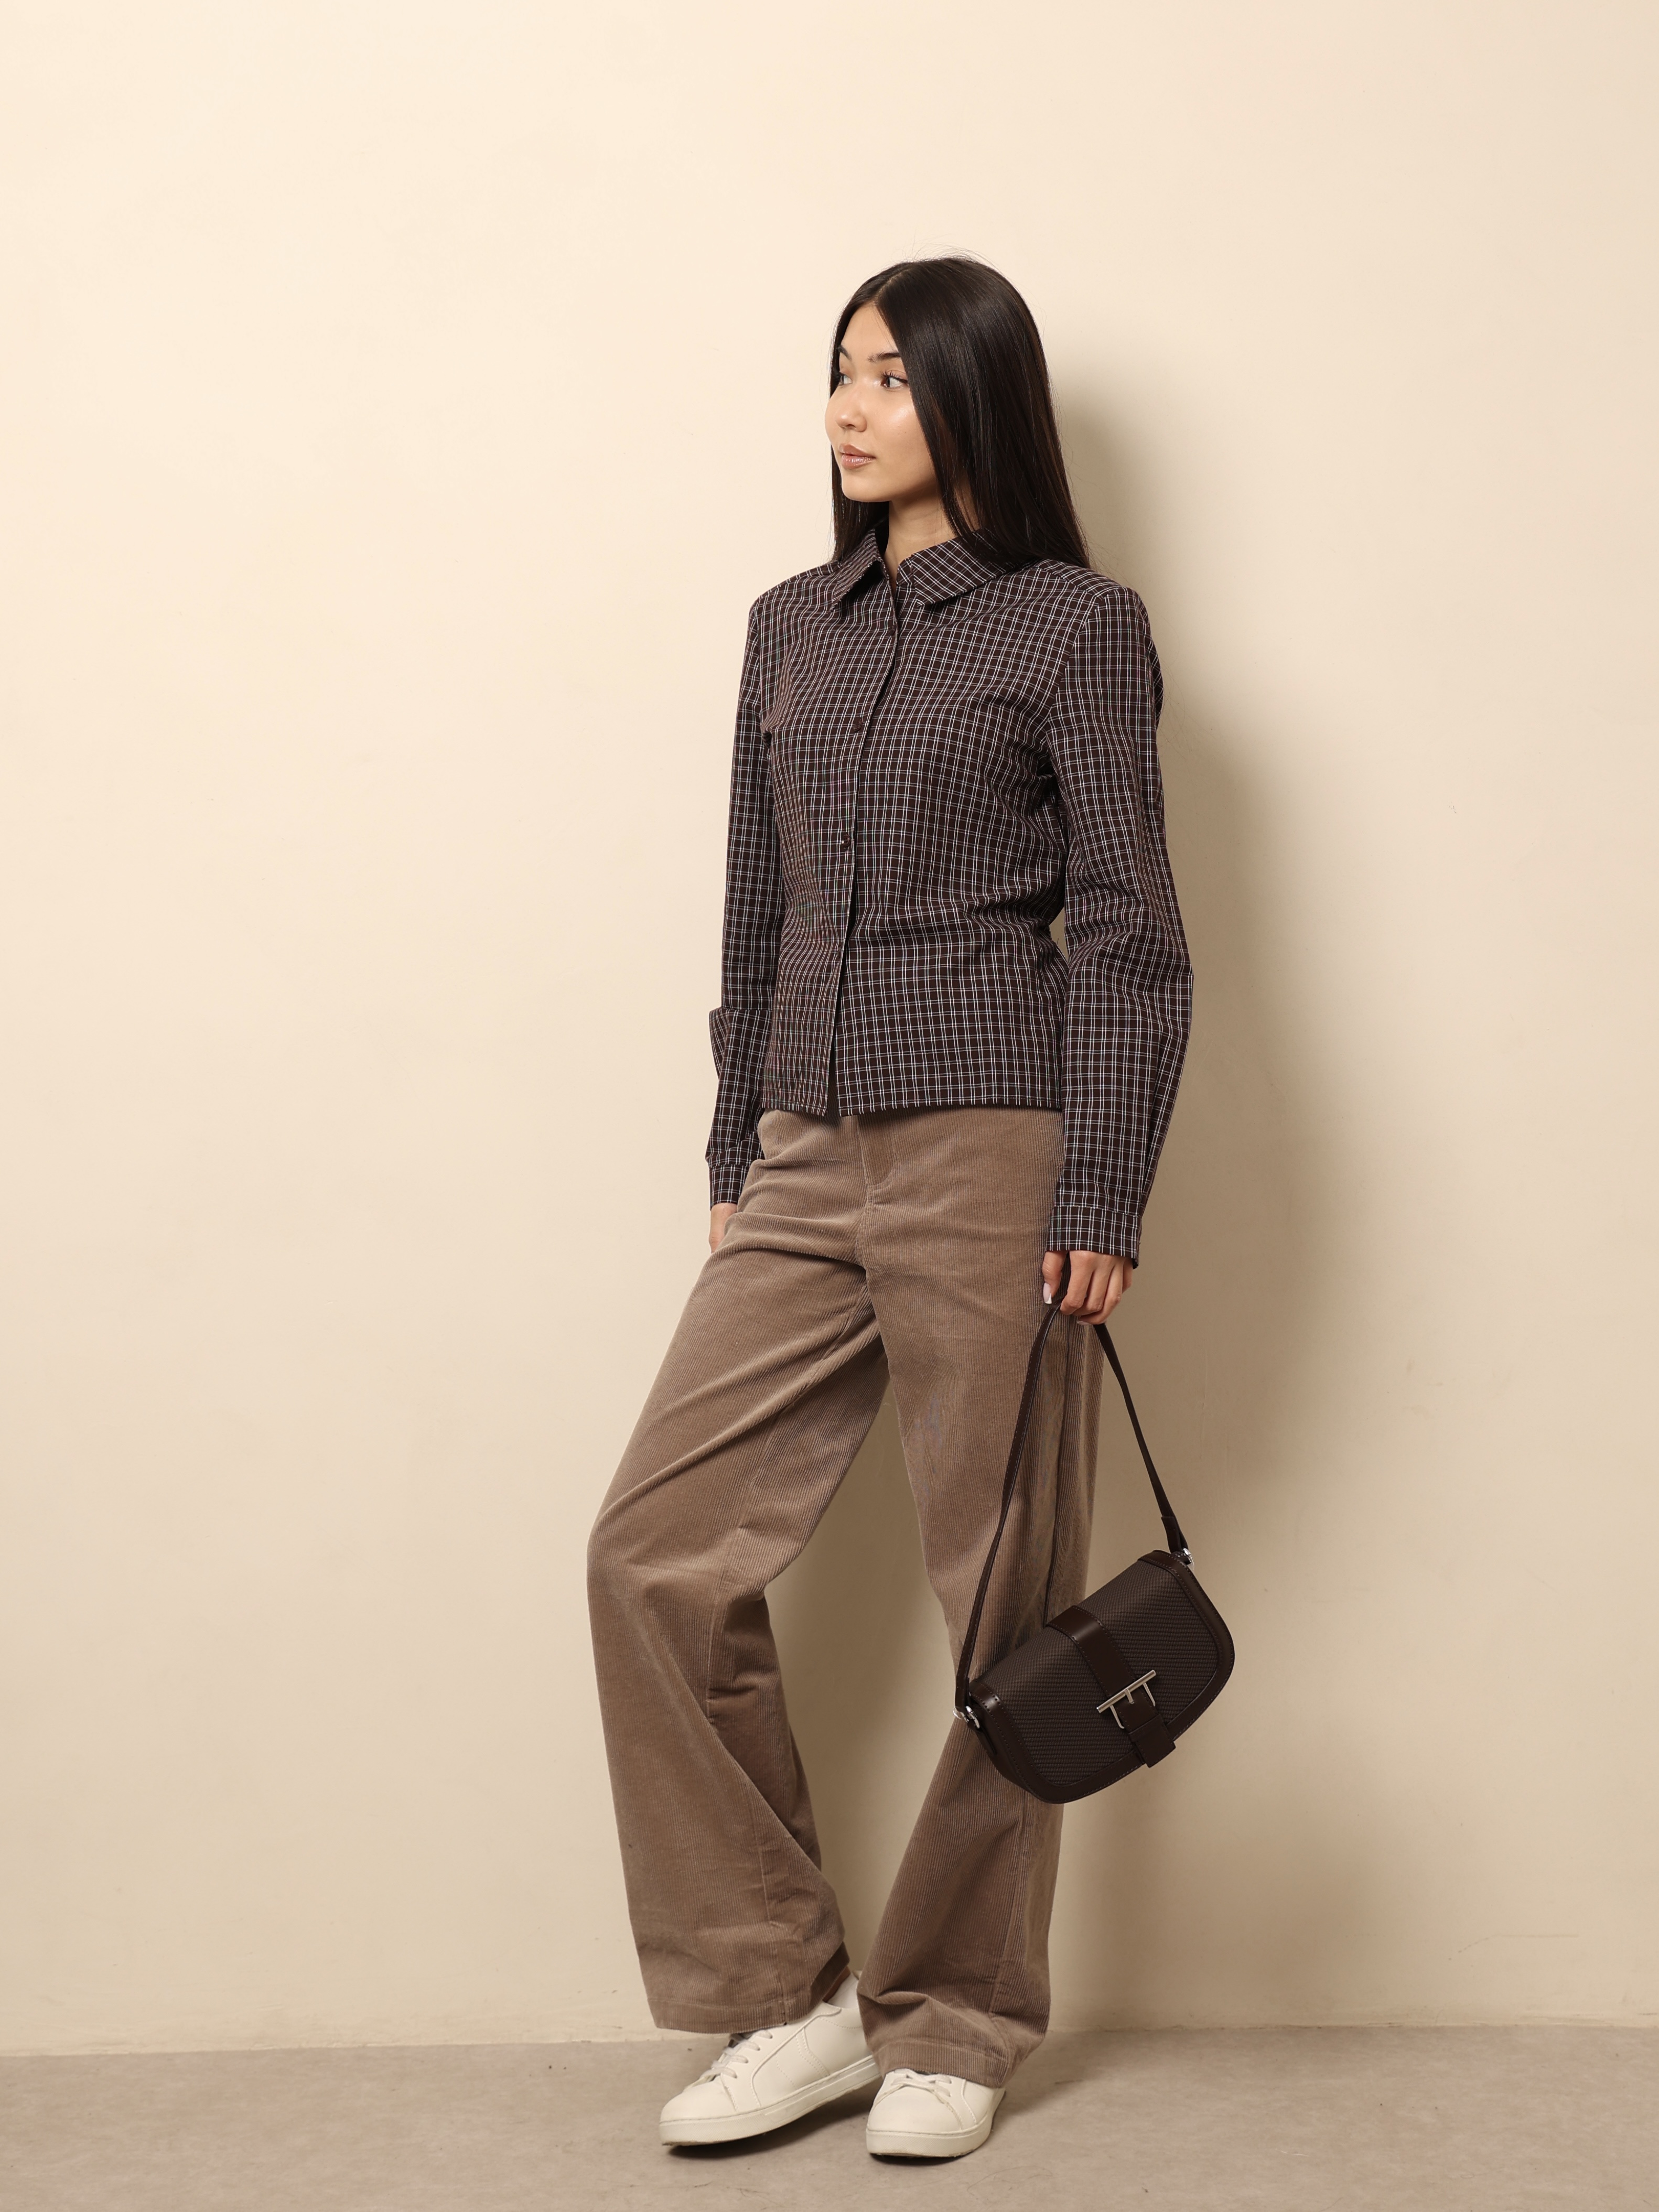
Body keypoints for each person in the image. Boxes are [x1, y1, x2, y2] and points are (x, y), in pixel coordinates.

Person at [586, 257, 1190, 2163]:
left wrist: (1101, 1177)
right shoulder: (791, 627)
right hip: (804, 1140)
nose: (849, 410)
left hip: (994, 1142)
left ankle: (960, 2014)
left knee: (1004, 1599)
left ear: (971, 396)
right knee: (652, 1554)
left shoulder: (1072, 625)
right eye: (837, 374)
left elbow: (1130, 931)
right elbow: (752, 917)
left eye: (890, 378)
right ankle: (788, 1996)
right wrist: (731, 1153)